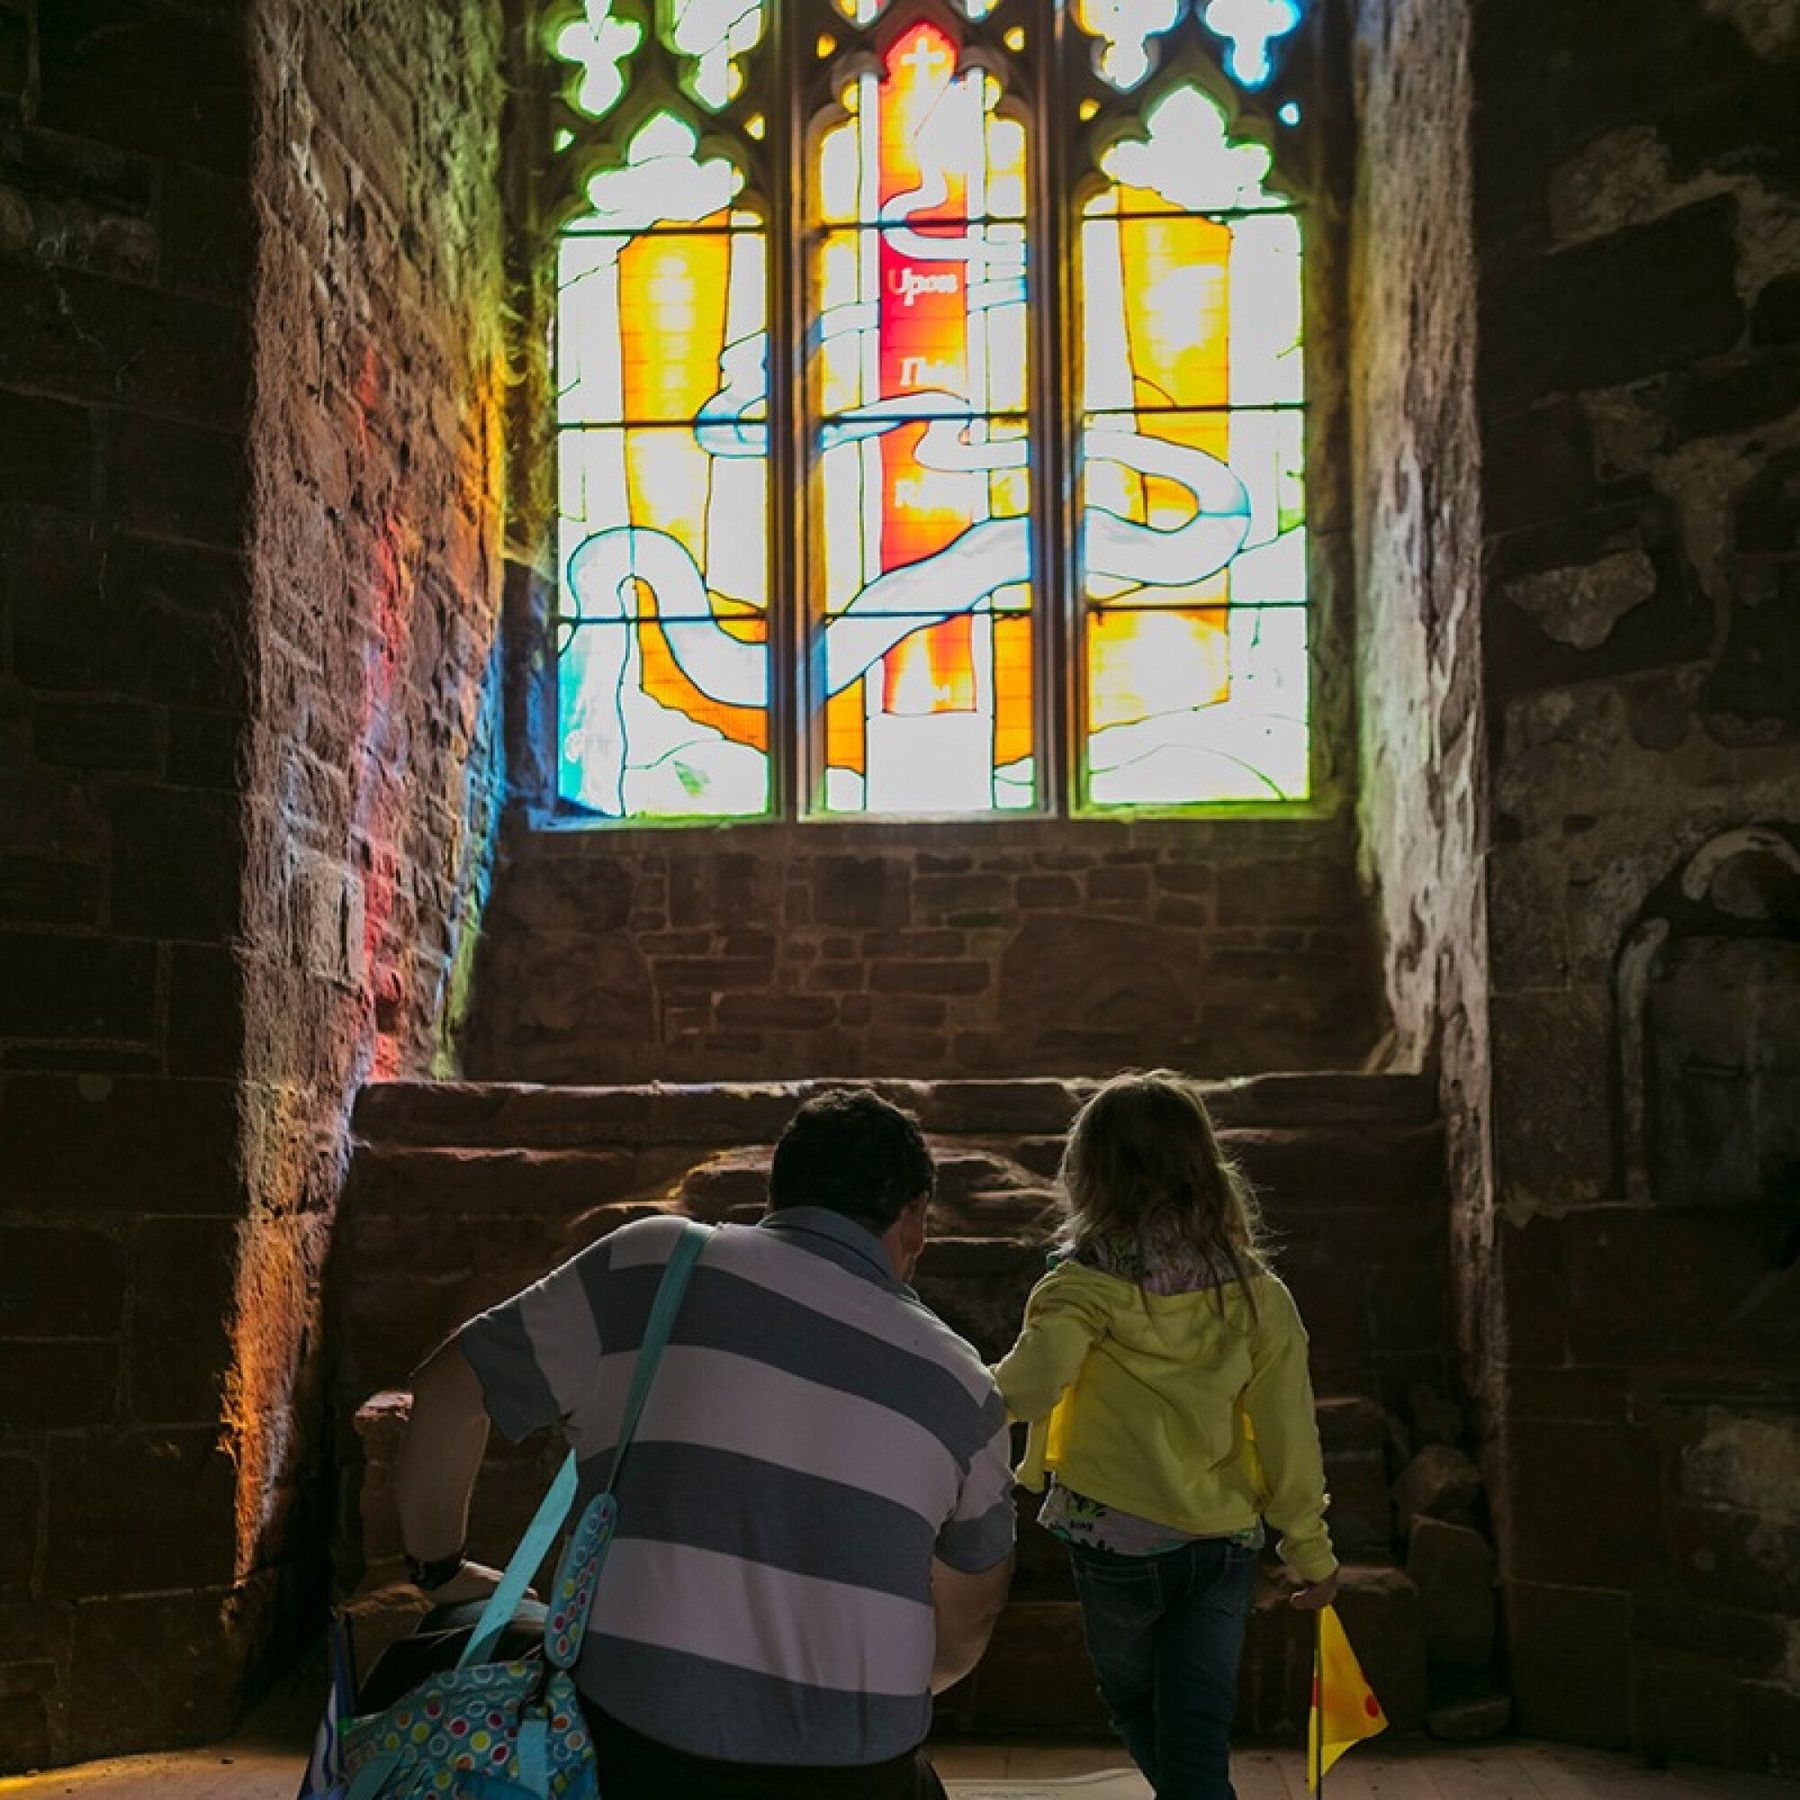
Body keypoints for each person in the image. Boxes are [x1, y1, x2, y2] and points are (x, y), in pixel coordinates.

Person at [393, 1087, 1015, 1800]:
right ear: (912, 1217)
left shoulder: (652, 1264)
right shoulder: (968, 1386)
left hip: (636, 1756)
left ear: (778, 1191)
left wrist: (438, 1569)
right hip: (858, 1779)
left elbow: (444, 1391)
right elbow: (972, 1617)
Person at [991, 1070, 1339, 1800]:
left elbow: (1024, 1390)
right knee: (1199, 1719)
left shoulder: (1079, 1286)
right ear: (1204, 1169)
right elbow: (1288, 1434)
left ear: (1088, 1175)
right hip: (1222, 1541)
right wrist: (1309, 1547)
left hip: (1114, 1539)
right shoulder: (1258, 1294)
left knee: (1133, 1702)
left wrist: (946, 1386)